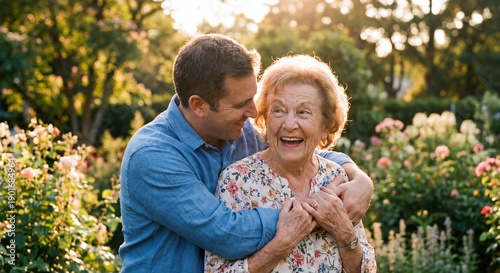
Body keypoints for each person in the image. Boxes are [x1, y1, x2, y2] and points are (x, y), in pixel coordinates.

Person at [119, 33, 373, 272]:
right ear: (199, 105)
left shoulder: (238, 130)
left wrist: (359, 178)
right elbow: (226, 233)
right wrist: (321, 213)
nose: (253, 112)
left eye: (252, 98)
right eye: (241, 104)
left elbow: (294, 148)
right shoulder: (152, 154)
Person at [205, 55, 376, 273]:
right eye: (278, 110)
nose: (289, 124)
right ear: (265, 119)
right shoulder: (237, 181)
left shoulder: (337, 177)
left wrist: (344, 233)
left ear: (326, 124)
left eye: (303, 112)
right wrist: (281, 244)